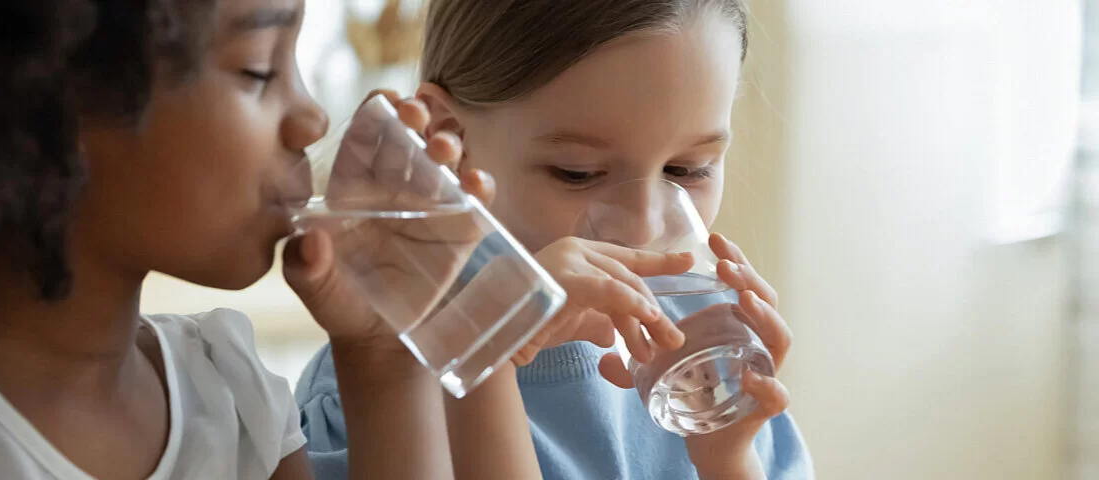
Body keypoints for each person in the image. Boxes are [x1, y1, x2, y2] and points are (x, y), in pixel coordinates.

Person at [0, 0, 584, 478]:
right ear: (51, 100)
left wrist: (381, 356)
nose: (310, 116)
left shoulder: (229, 404)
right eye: (260, 68)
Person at [296, 0, 814, 479]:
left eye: (687, 169)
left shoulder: (702, 356)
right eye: (578, 173)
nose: (643, 227)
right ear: (448, 137)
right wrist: (487, 356)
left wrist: (729, 458)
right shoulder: (381, 382)